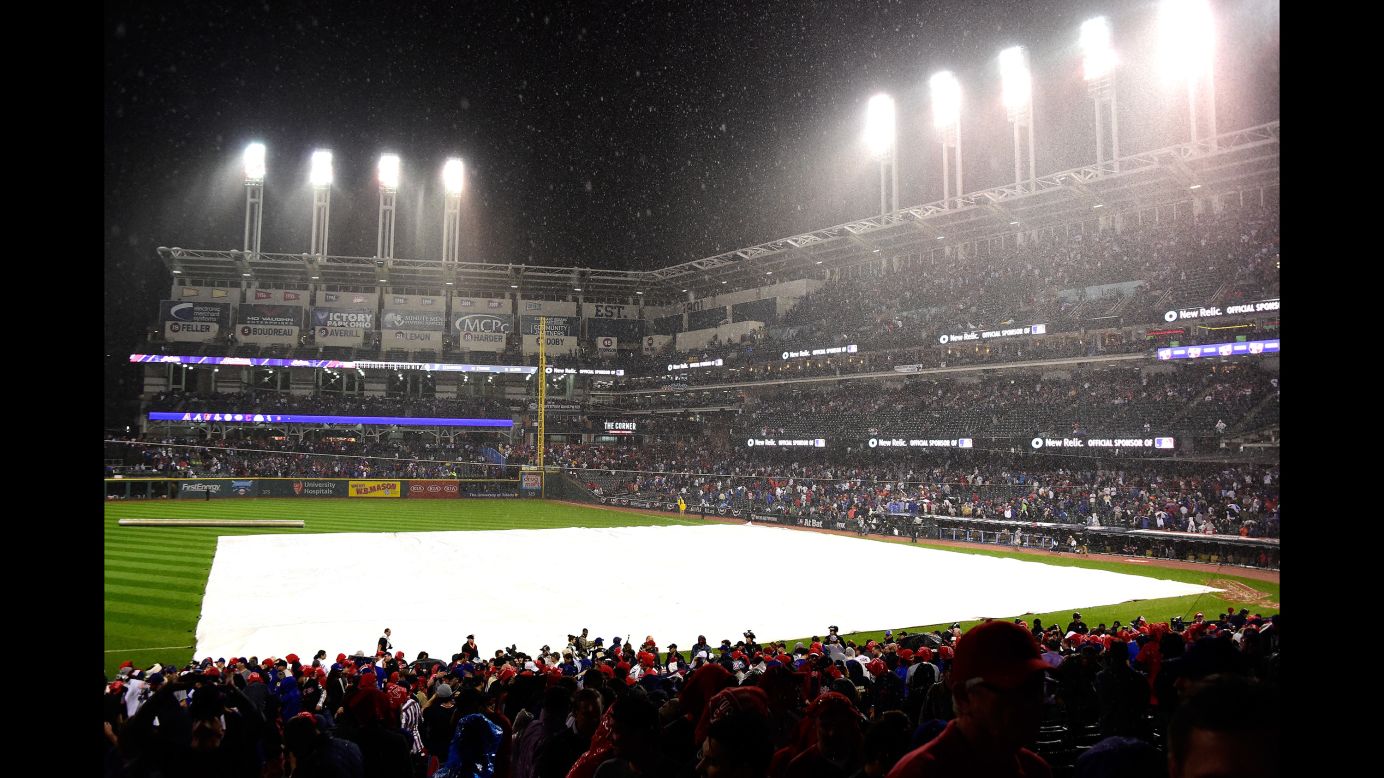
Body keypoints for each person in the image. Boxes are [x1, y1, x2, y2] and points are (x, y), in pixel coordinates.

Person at [886, 620, 1052, 778]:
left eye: (1037, 687)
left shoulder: (1035, 768)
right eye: (1012, 692)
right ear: (963, 697)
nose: (1032, 704)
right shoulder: (916, 773)